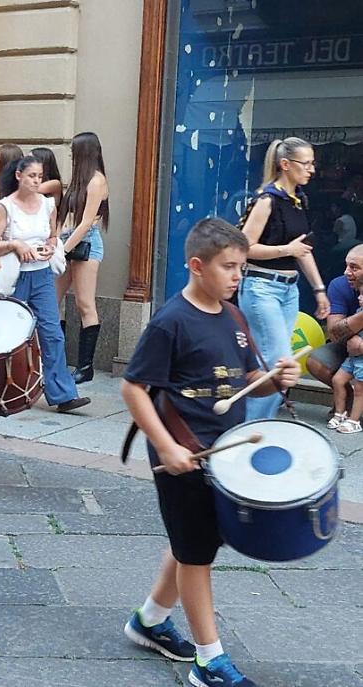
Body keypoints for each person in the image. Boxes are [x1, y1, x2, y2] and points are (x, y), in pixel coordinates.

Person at [121, 218, 300, 687]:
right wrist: (166, 445)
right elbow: (133, 388)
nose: (238, 276)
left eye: (241, 267)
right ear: (197, 266)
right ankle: (210, 661)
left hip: (222, 454)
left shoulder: (235, 317)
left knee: (194, 542)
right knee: (197, 553)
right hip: (181, 453)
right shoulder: (170, 322)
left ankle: (151, 620)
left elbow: (236, 380)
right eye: (229, 267)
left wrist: (274, 379)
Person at [0, 155, 91, 413]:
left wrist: (50, 247)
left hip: (42, 274)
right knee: (12, 334)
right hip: (16, 277)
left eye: (40, 177)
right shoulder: (5, 207)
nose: (36, 181)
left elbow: (53, 235)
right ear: (19, 176)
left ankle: (63, 394)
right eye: (32, 176)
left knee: (52, 333)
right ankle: (5, 388)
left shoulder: (47, 205)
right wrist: (15, 245)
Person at [239, 137, 329, 420]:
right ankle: (252, 428)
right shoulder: (267, 200)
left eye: (313, 163)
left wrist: (319, 289)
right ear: (285, 164)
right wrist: (285, 249)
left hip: (288, 291)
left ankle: (251, 425)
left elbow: (303, 250)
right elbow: (245, 246)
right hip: (261, 287)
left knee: (270, 359)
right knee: (277, 363)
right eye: (306, 163)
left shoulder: (298, 200)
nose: (312, 169)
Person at [56, 132, 110, 384]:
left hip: (85, 245)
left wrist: (62, 249)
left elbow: (87, 222)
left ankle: (85, 366)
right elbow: (67, 218)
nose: (71, 155)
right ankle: (55, 359)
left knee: (85, 304)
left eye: (73, 151)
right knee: (52, 300)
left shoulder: (96, 181)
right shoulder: (81, 180)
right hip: (70, 241)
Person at [307, 245, 363, 413]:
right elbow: (334, 332)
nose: (347, 272)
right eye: (346, 265)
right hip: (350, 347)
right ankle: (349, 400)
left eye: (354, 268)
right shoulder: (340, 285)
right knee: (316, 361)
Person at [328, 283, 363, 434]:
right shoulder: (359, 312)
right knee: (338, 380)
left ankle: (355, 421)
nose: (360, 298)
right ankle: (340, 413)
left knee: (360, 389)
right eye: (360, 294)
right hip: (353, 357)